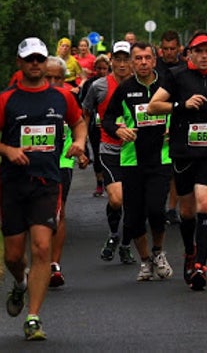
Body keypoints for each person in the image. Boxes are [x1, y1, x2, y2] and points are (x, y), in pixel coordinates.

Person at [0, 37, 87, 340]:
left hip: (47, 182)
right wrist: (7, 150)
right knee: (14, 256)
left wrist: (78, 143)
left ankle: (34, 317)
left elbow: (79, 123)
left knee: (41, 248)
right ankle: (19, 283)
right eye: (30, 60)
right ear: (20, 63)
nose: (36, 64)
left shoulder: (61, 97)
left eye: (40, 59)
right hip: (13, 184)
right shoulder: (7, 100)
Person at [147, 30, 207, 291]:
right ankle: (190, 251)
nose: (204, 56)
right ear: (189, 53)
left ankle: (201, 265)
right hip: (184, 152)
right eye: (198, 51)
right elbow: (154, 106)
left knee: (206, 204)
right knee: (187, 211)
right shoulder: (176, 76)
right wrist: (181, 105)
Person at [101, 42, 175, 281]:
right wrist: (117, 130)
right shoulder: (124, 89)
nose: (143, 62)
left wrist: (175, 130)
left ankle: (158, 252)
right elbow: (108, 119)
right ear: (132, 63)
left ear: (154, 60)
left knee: (156, 209)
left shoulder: (167, 84)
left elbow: (182, 110)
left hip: (161, 157)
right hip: (132, 159)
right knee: (133, 217)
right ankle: (144, 262)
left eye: (147, 58)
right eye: (138, 58)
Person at [82, 41, 135, 264]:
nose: (122, 64)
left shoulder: (140, 86)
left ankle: (124, 244)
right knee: (116, 199)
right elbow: (85, 113)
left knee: (133, 202)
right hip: (109, 147)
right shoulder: (99, 87)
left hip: (135, 150)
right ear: (111, 60)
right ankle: (114, 234)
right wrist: (82, 143)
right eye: (118, 59)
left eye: (126, 59)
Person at [44, 56, 89, 288]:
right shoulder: (28, 99)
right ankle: (39, 257)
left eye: (57, 78)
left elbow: (78, 125)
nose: (52, 82)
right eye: (47, 77)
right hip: (33, 163)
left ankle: (54, 265)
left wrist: (81, 150)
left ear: (65, 80)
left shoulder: (68, 99)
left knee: (59, 211)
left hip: (62, 162)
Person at [156, 30, 185, 225]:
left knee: (176, 167)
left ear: (179, 49)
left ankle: (172, 208)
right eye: (165, 49)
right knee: (158, 167)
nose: (168, 52)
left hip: (178, 117)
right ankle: (156, 206)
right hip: (155, 118)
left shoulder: (185, 68)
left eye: (172, 49)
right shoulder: (154, 67)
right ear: (160, 50)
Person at [80, 55, 110, 197]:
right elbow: (85, 106)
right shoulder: (90, 84)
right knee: (97, 154)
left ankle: (111, 181)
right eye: (99, 68)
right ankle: (99, 183)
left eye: (104, 69)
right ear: (95, 69)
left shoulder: (113, 82)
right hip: (94, 123)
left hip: (110, 123)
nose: (102, 71)